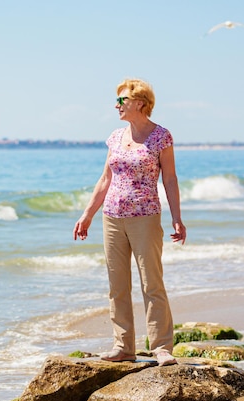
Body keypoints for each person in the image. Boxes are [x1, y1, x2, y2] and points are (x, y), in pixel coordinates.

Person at [73, 78, 186, 366]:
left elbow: (170, 179)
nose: (117, 105)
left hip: (145, 218)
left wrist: (177, 218)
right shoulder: (114, 137)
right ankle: (123, 347)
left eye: (122, 100)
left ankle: (161, 347)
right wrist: (87, 215)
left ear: (140, 103)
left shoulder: (161, 136)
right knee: (117, 285)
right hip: (112, 218)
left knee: (152, 284)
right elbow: (105, 179)